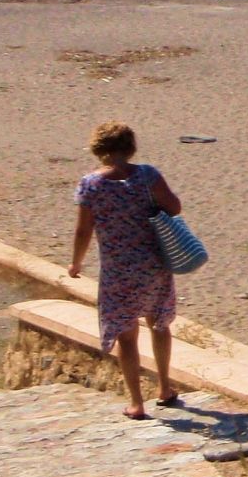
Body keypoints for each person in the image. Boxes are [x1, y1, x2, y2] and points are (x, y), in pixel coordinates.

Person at [68, 121, 183, 418]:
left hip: (118, 269)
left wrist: (76, 262)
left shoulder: (90, 184)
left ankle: (136, 403)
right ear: (130, 146)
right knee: (159, 323)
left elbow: (83, 231)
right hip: (153, 262)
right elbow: (174, 207)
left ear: (98, 148)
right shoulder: (147, 175)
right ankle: (165, 388)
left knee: (126, 334)